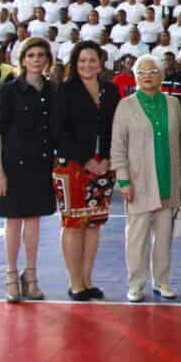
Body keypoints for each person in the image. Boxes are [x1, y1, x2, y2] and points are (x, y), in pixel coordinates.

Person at [111, 54, 181, 302]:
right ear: (135, 77)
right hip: (138, 182)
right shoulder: (126, 105)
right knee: (137, 238)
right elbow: (118, 146)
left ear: (162, 76)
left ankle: (162, 281)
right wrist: (123, 179)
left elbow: (180, 142)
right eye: (142, 72)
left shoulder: (173, 104)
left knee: (164, 237)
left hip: (168, 180)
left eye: (153, 71)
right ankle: (136, 283)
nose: (147, 76)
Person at [0, 37, 58, 303]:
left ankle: (31, 277)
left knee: (34, 222)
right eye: (31, 55)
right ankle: (11, 275)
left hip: (40, 165)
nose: (37, 60)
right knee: (13, 221)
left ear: (47, 59)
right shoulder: (9, 90)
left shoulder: (53, 90)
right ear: (23, 59)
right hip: (12, 165)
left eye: (41, 55)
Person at [54, 41, 120, 301]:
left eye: (92, 60)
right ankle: (75, 282)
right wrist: (85, 159)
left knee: (94, 224)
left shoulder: (111, 90)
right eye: (82, 61)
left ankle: (88, 279)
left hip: (104, 166)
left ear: (100, 62)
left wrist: (106, 158)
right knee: (73, 223)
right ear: (74, 62)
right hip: (72, 165)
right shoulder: (64, 90)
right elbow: (59, 131)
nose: (87, 65)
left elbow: (116, 127)